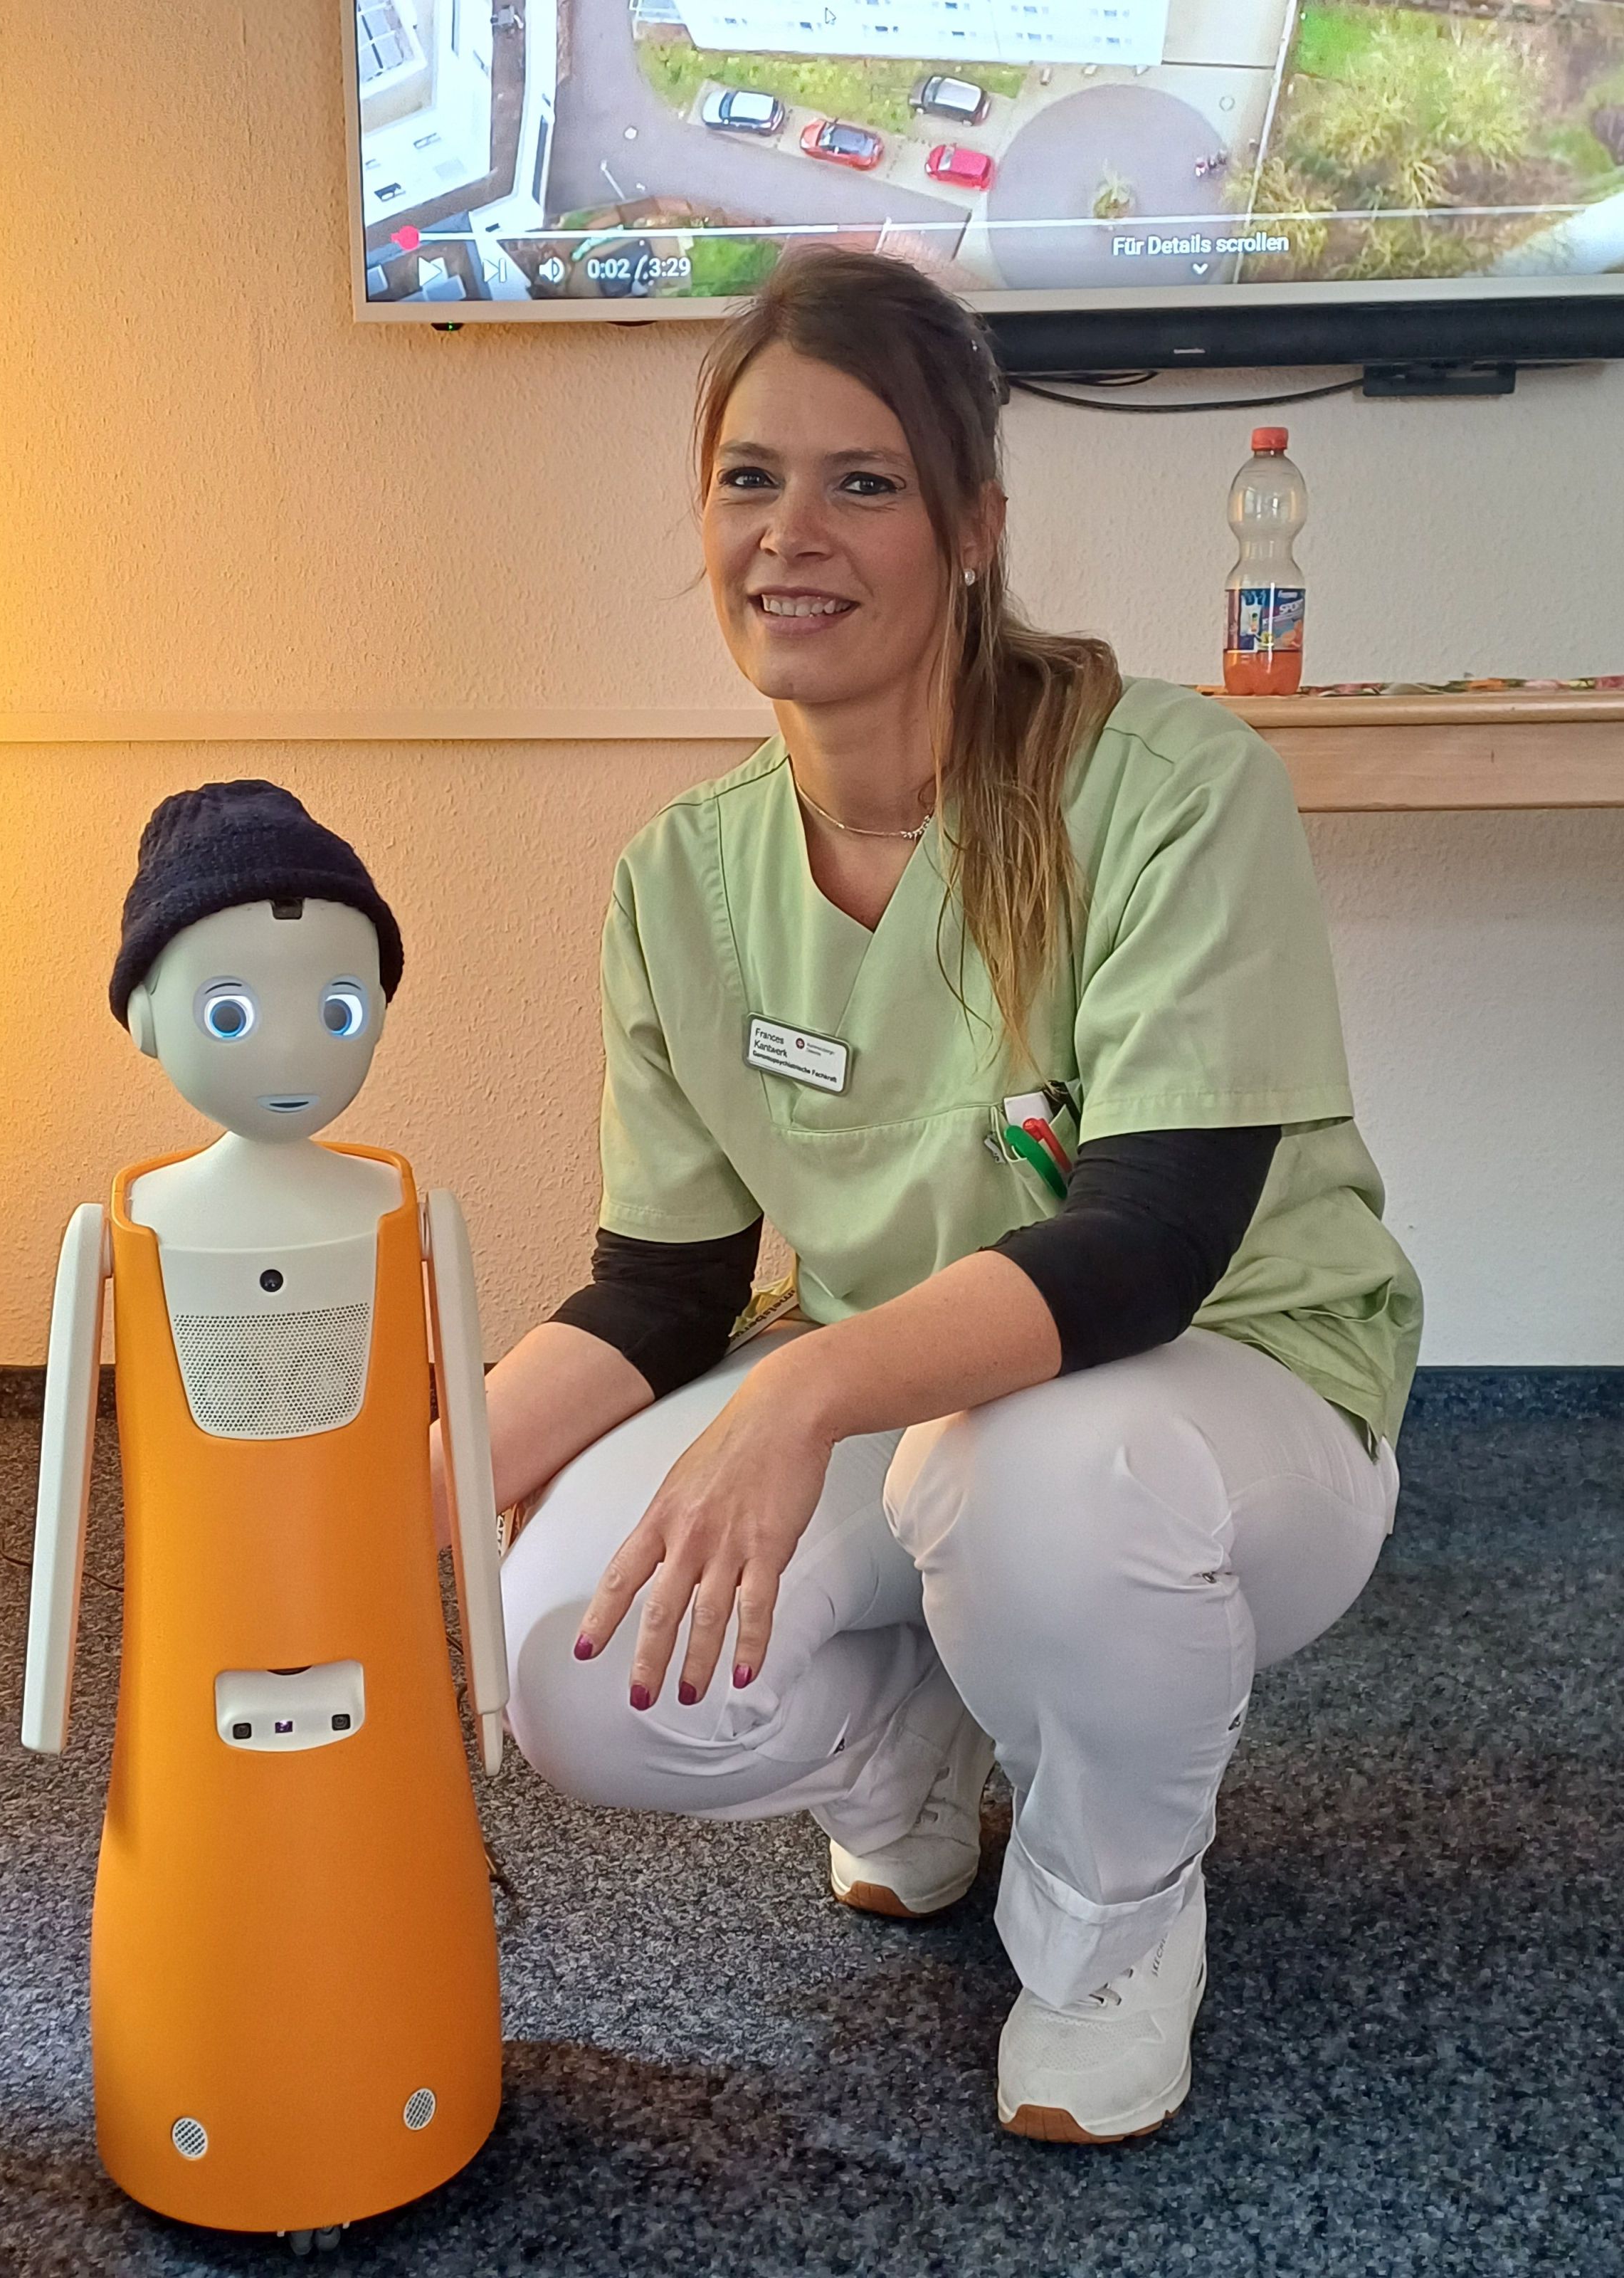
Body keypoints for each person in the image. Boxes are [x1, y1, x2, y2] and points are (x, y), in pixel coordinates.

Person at [469, 251, 1423, 2143]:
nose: (791, 535)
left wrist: (806, 1396)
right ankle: (900, 1754)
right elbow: (660, 1289)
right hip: (902, 1415)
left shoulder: (1172, 786)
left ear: (974, 527)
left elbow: (1148, 1242)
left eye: (864, 482)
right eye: (749, 480)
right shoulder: (679, 880)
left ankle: (1112, 1927)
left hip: (1228, 1389)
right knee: (567, 1661)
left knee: (1037, 1483)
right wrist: (400, 1476)